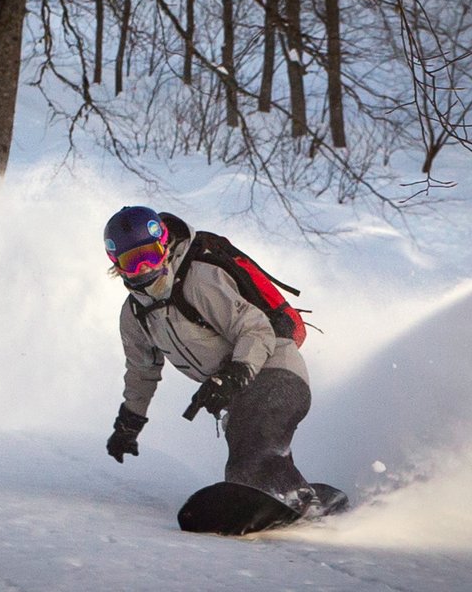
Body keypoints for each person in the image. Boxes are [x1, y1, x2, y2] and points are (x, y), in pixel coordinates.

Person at [103, 205, 318, 514]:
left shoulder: (200, 280)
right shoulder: (135, 314)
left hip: (277, 373)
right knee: (250, 462)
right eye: (132, 262)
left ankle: (298, 505)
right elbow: (141, 371)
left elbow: (256, 329)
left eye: (150, 254)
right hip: (240, 395)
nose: (145, 268)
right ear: (117, 266)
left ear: (165, 245)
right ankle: (300, 503)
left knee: (251, 460)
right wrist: (129, 421)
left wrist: (234, 373)